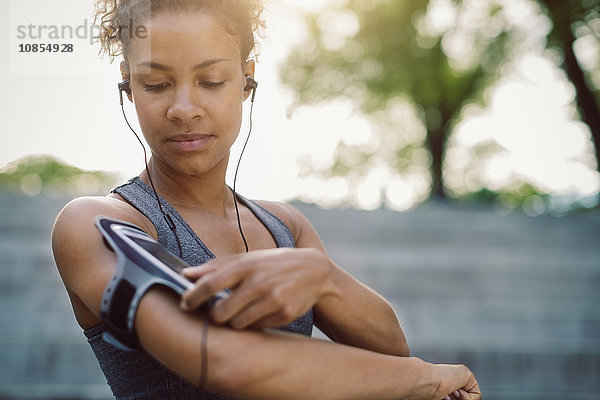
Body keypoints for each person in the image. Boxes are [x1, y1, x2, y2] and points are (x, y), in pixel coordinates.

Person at [51, 0, 481, 399]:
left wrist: (326, 280)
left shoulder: (284, 226)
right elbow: (226, 360)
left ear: (246, 80)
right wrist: (432, 377)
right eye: (157, 83)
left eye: (211, 80)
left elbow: (392, 350)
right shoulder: (95, 223)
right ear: (128, 86)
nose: (184, 107)